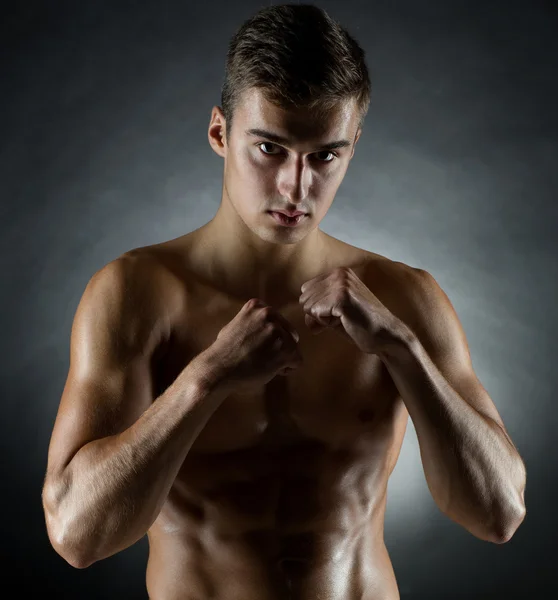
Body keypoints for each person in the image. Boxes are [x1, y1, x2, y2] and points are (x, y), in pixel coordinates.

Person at [41, 4, 527, 599]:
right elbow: (76, 535)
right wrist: (206, 379)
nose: (296, 188)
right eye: (270, 149)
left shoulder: (404, 298)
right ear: (220, 132)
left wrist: (402, 350)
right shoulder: (136, 295)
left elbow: (498, 514)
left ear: (353, 147)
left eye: (325, 155)